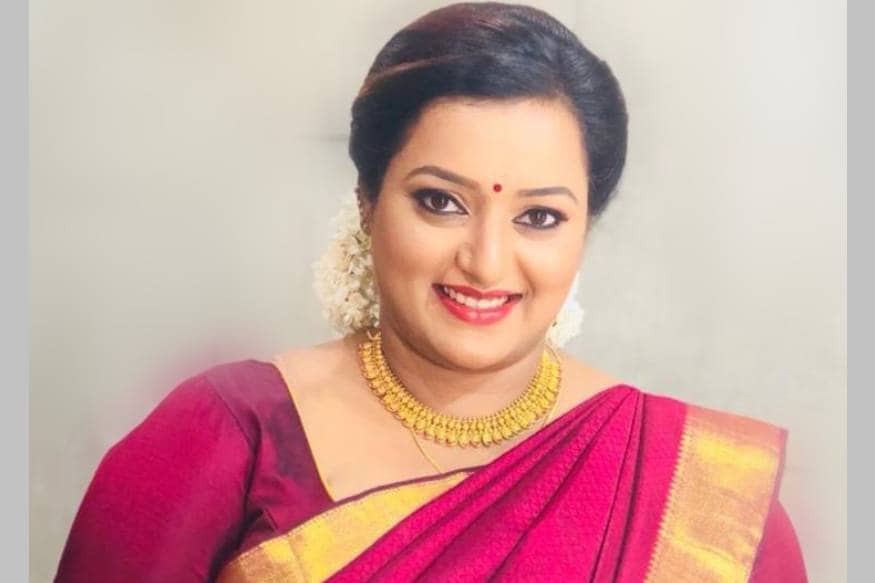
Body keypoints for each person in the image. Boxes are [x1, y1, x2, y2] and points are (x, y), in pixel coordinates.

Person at [54, 3, 808, 582]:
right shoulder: (224, 440)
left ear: (584, 230)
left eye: (539, 217)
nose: (485, 261)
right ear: (366, 201)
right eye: (440, 201)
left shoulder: (698, 497)